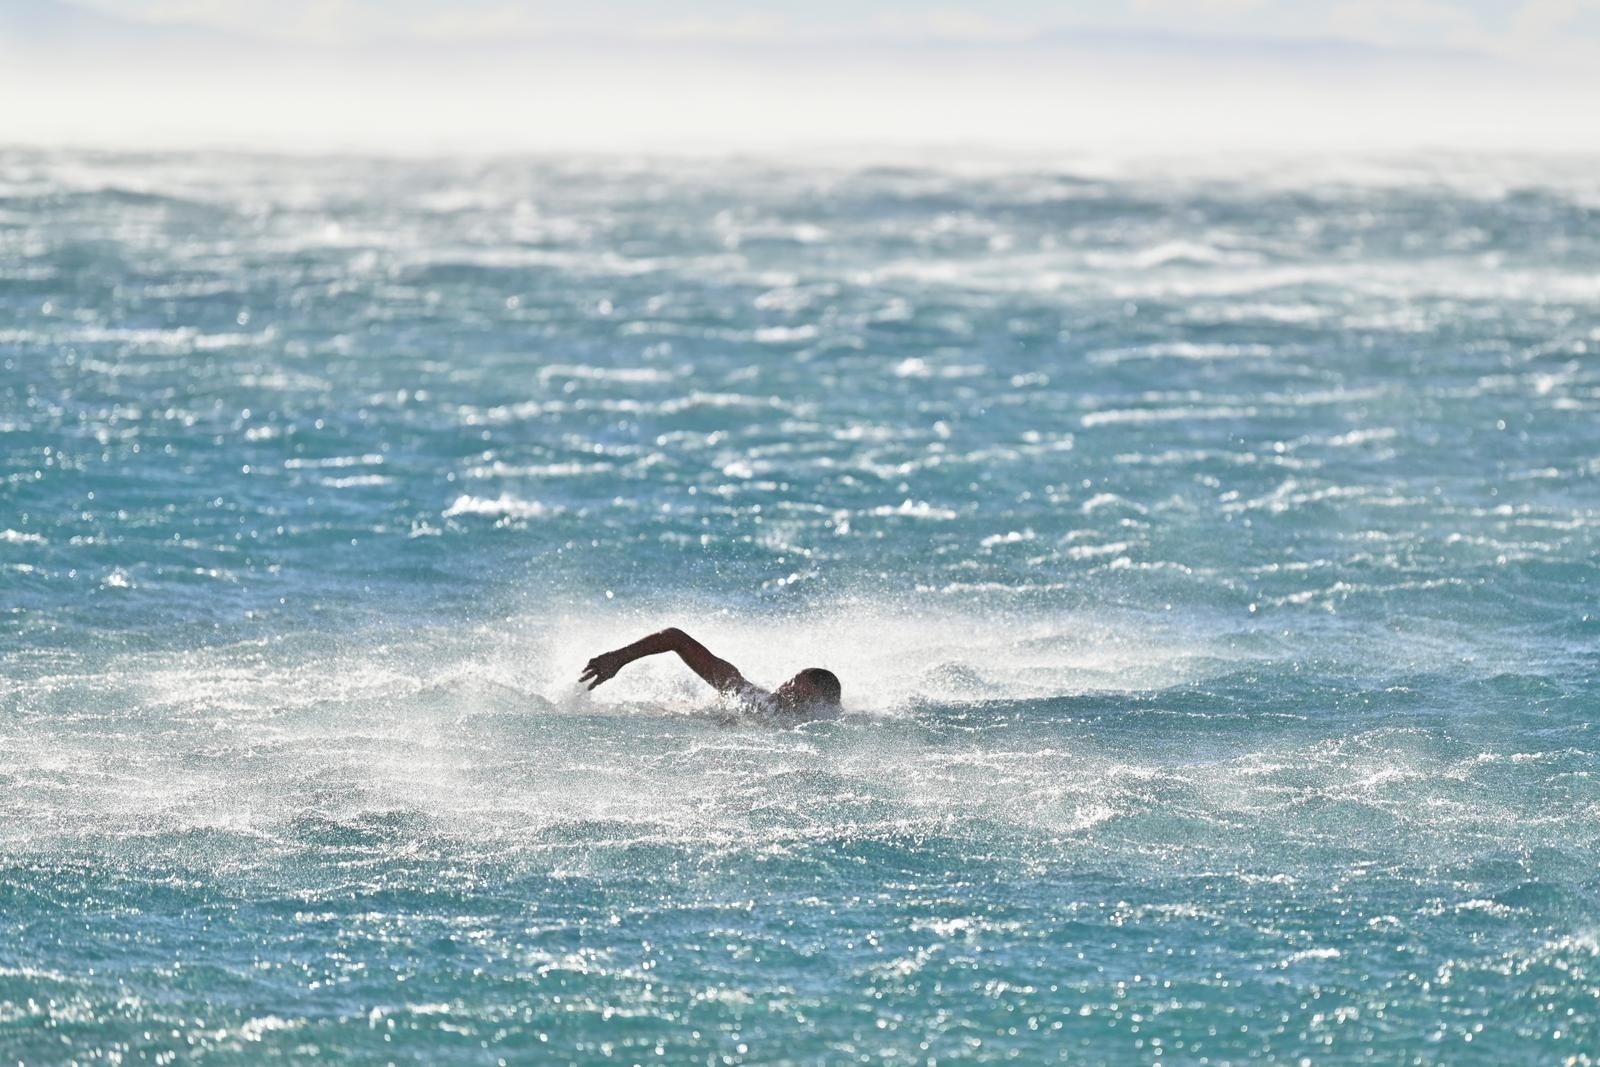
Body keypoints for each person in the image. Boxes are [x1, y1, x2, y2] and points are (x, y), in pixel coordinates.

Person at [580, 626, 842, 718]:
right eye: (790, 682)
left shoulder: (826, 723)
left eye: (797, 688)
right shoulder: (748, 697)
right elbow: (675, 638)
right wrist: (618, 658)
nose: (787, 689)